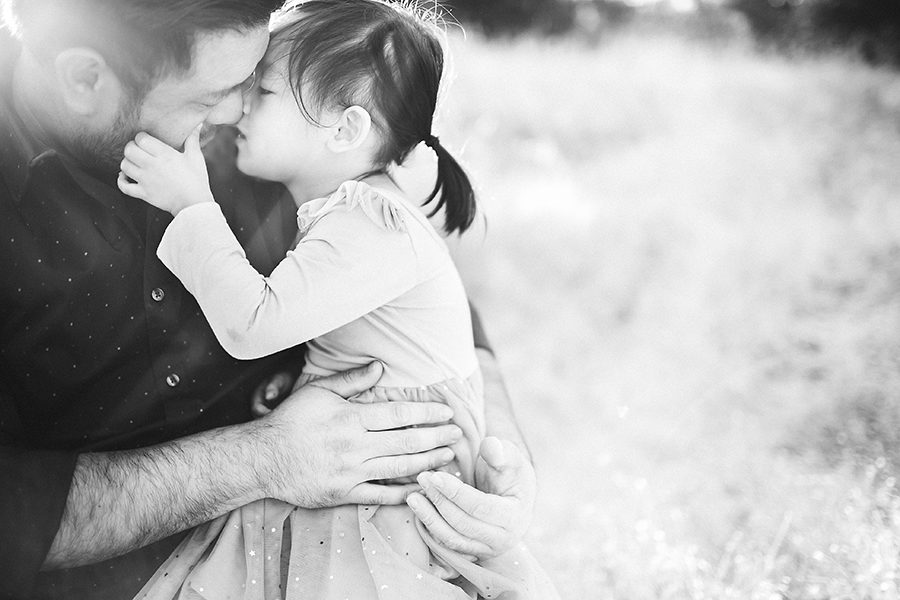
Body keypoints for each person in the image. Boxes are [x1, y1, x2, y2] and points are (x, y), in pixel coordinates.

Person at [0, 1, 538, 598]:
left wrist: (499, 454)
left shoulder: (310, 150)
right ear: (84, 78)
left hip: (361, 507)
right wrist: (262, 459)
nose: (236, 111)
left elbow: (428, 311)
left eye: (256, 82)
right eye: (211, 97)